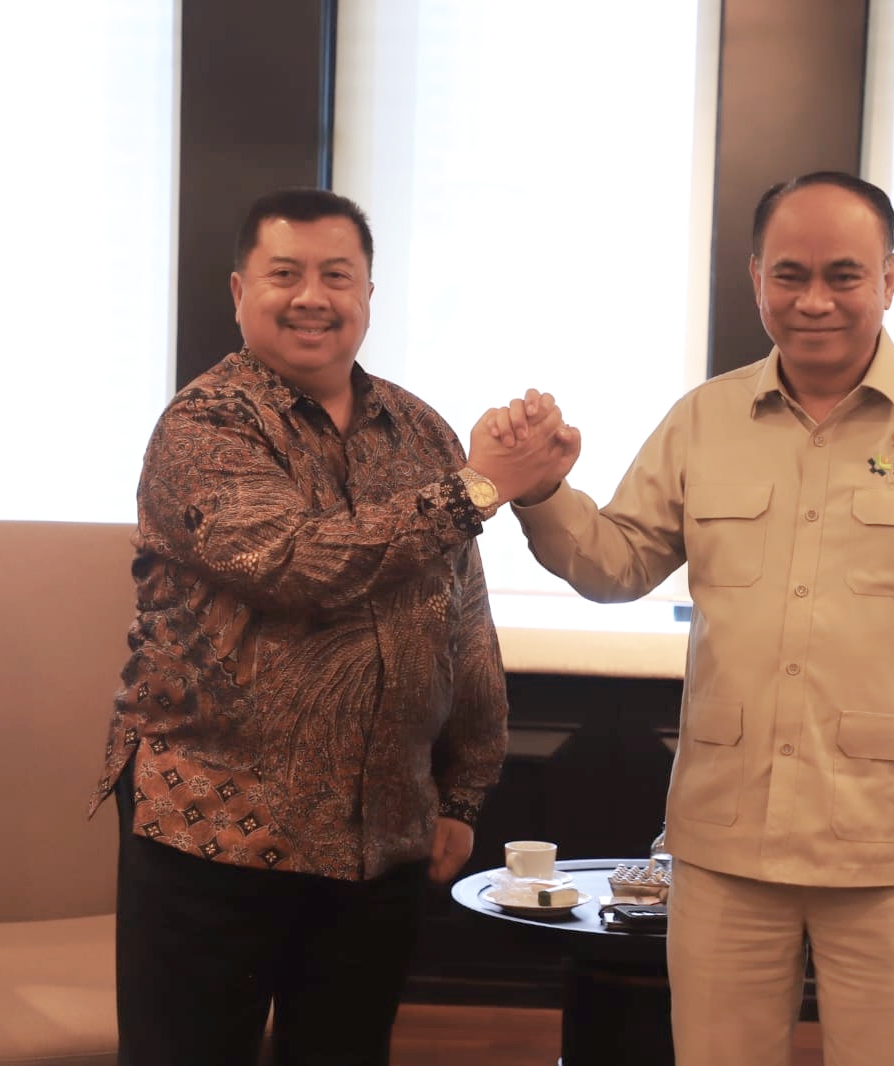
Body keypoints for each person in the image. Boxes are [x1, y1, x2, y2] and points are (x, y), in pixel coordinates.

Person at [490, 171, 894, 1066]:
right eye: (790, 275)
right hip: (726, 839)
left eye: (844, 275)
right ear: (757, 278)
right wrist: (544, 491)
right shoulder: (704, 419)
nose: (814, 300)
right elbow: (615, 565)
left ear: (889, 277)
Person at [87, 187, 572, 1066]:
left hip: (379, 835)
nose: (312, 296)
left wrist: (462, 792)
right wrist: (479, 485)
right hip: (214, 828)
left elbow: (463, 618)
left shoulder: (417, 429)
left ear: (369, 295)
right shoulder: (203, 424)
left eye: (337, 276)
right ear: (240, 291)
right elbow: (291, 564)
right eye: (286, 274)